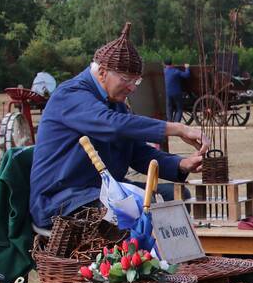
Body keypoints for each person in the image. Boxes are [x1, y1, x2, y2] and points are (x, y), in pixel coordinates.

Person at [29, 22, 208, 229]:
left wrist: (180, 164)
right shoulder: (70, 94)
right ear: (103, 72)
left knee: (175, 196)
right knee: (135, 208)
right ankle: (139, 259)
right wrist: (179, 128)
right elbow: (113, 125)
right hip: (64, 199)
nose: (132, 88)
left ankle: (168, 260)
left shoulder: (116, 103)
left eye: (136, 81)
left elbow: (136, 152)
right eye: (126, 80)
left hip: (103, 192)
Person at [164, 58, 191, 122]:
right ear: (172, 64)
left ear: (165, 64)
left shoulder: (164, 71)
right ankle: (176, 123)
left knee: (169, 108)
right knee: (179, 109)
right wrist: (187, 68)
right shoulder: (175, 71)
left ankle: (169, 122)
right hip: (177, 93)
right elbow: (187, 75)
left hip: (168, 93)